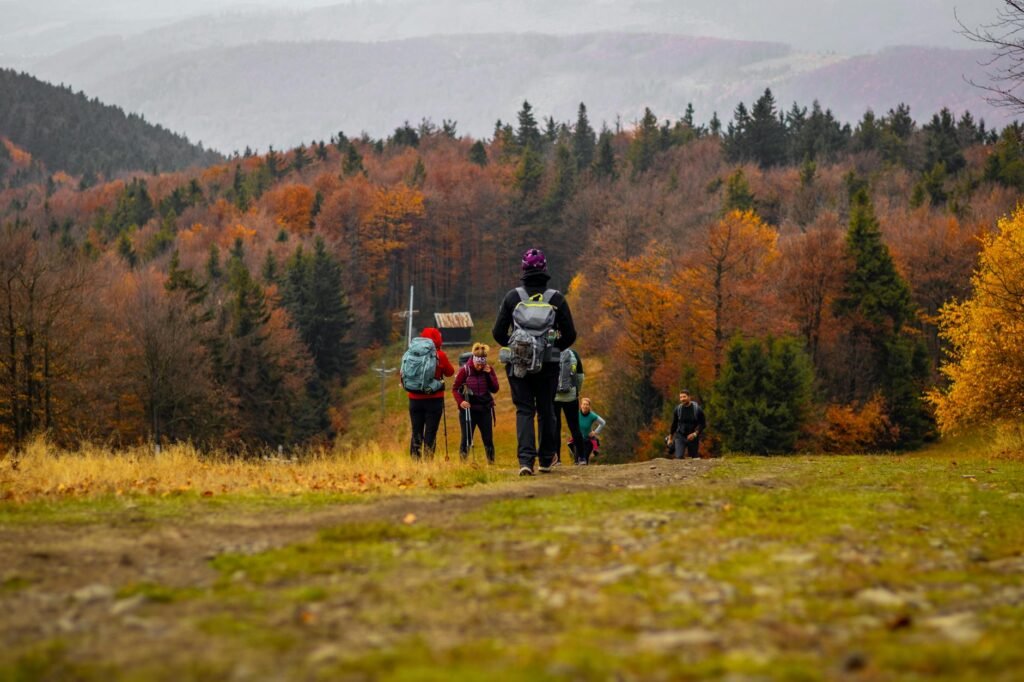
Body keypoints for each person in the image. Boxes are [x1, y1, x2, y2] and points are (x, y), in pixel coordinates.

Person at [492, 248, 577, 476]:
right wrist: (552, 348)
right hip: (548, 364)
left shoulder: (513, 298)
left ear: (523, 269)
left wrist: (516, 345)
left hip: (518, 364)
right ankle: (546, 459)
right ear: (544, 268)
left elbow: (497, 332)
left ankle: (525, 461)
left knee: (524, 410)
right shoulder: (556, 299)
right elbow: (570, 335)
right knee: (546, 409)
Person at [405, 327, 455, 459]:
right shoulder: (440, 355)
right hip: (434, 399)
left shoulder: (412, 353)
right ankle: (428, 462)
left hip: (414, 399)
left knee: (416, 431)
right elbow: (450, 372)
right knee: (430, 432)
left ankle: (415, 461)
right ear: (438, 340)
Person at [452, 342, 500, 463]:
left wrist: (489, 375)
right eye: (478, 364)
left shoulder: (488, 369)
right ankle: (463, 464)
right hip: (468, 410)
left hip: (485, 409)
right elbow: (455, 389)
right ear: (473, 360)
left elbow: (495, 388)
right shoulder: (465, 370)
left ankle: (491, 463)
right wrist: (461, 402)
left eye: (482, 364)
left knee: (488, 439)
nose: (480, 367)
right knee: (466, 439)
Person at [554, 348, 586, 465]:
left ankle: (557, 459)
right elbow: (580, 376)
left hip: (554, 397)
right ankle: (582, 457)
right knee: (574, 427)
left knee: (555, 428)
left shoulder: (550, 351)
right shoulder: (574, 354)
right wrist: (577, 390)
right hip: (571, 396)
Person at [669, 389, 706, 459]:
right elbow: (674, 424)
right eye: (681, 397)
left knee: (693, 457)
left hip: (692, 437)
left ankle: (675, 445)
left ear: (689, 397)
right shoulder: (678, 409)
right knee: (679, 457)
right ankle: (674, 444)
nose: (682, 399)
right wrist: (670, 437)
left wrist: (695, 434)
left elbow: (703, 424)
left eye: (684, 397)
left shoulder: (697, 409)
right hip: (680, 435)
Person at [576, 397, 606, 464]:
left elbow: (603, 423)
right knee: (576, 460)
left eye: (587, 404)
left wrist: (595, 432)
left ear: (589, 406)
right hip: (578, 439)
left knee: (585, 459)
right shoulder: (576, 414)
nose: (585, 406)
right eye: (583, 404)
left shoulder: (592, 415)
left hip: (588, 440)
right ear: (581, 405)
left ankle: (585, 474)